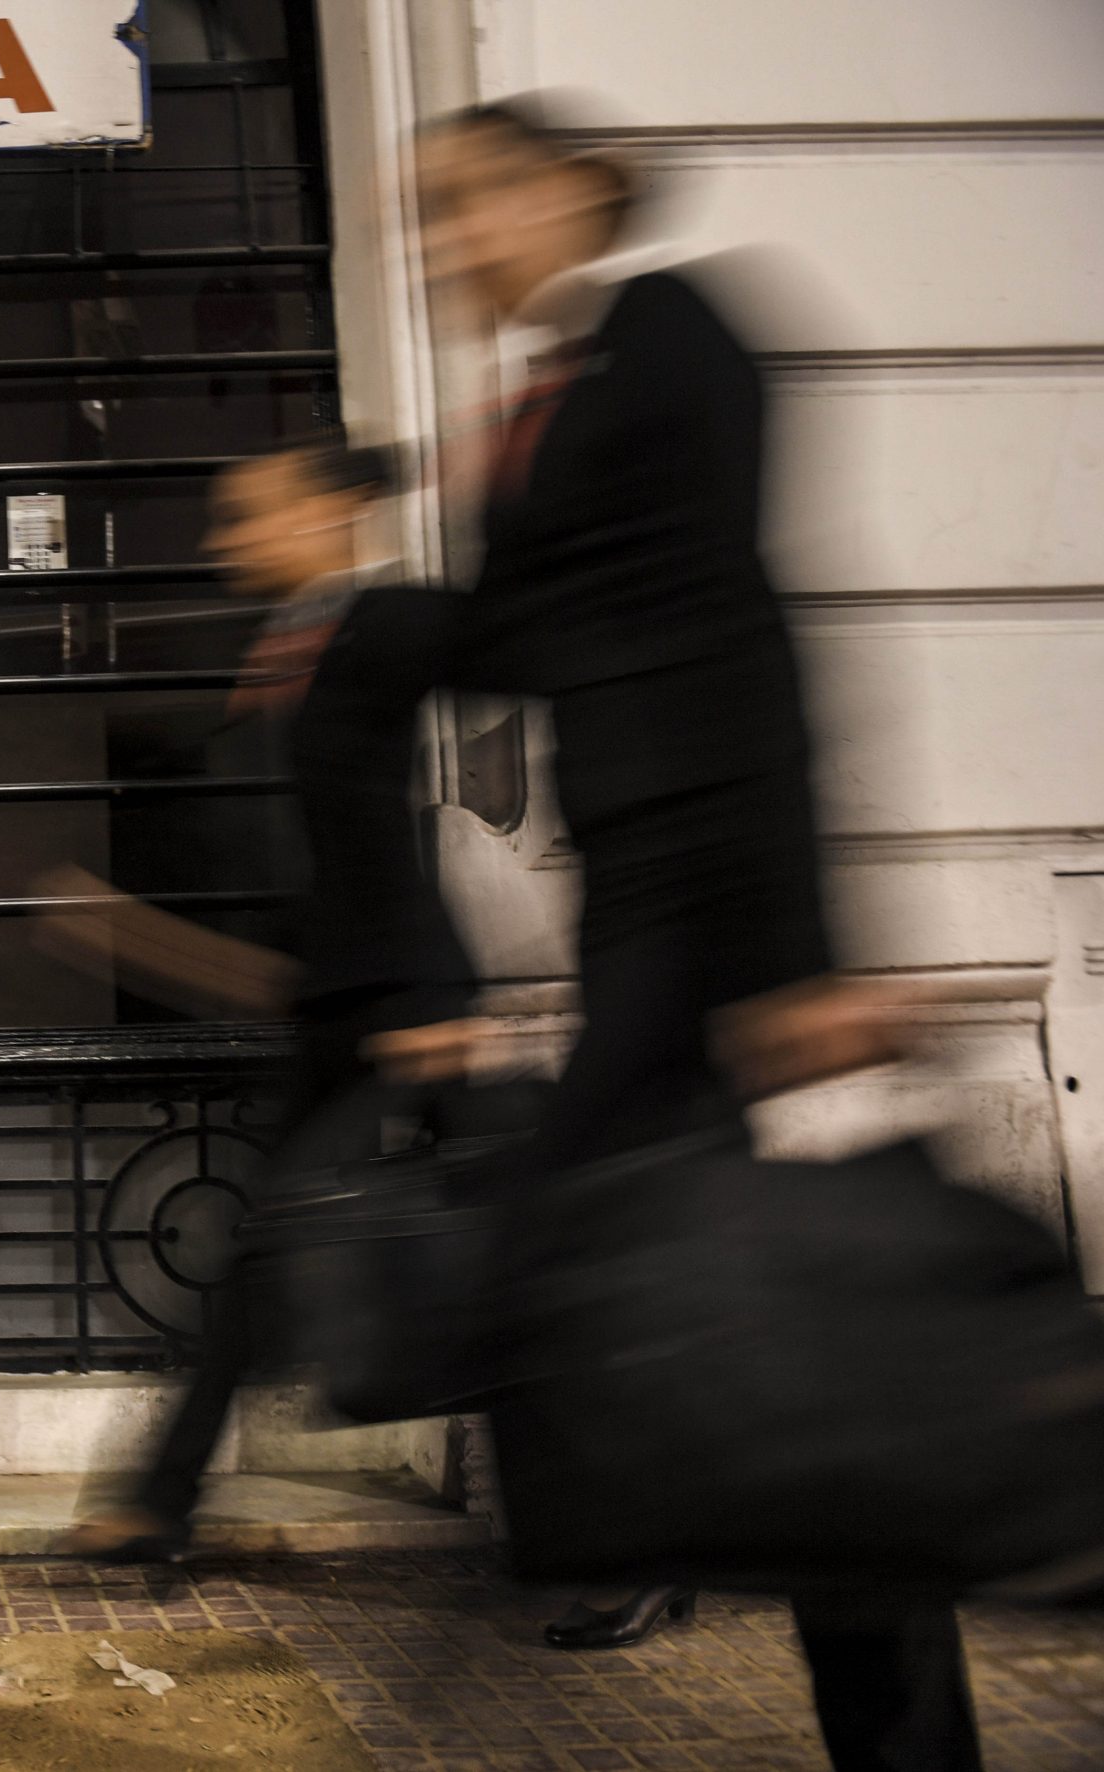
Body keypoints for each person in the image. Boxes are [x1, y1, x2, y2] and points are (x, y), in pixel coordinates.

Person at [414, 96, 978, 1768]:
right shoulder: (544, 395)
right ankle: (694, 1549)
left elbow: (740, 632)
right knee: (716, 1314)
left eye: (473, 200)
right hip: (644, 918)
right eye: (433, 214)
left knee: (747, 1311)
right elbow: (515, 643)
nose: (451, 240)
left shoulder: (671, 330)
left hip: (725, 923)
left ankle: (761, 1611)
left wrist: (806, 956)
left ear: (575, 190)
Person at [51, 439, 492, 1561]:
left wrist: (430, 997)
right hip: (336, 996)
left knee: (502, 1263)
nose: (226, 539)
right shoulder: (291, 643)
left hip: (408, 997)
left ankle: (623, 1532)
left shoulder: (390, 622)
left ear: (327, 512)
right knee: (266, 1251)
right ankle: (160, 1504)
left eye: (248, 514)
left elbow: (546, 659)